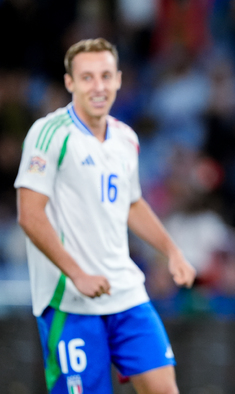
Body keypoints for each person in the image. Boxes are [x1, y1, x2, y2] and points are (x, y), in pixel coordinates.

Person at [14, 38, 196, 394]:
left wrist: (172, 251)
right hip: (70, 298)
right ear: (70, 83)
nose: (98, 86)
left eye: (105, 76)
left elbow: (131, 204)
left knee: (164, 388)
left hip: (125, 291)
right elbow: (29, 214)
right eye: (87, 77)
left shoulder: (126, 138)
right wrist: (77, 273)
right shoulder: (49, 134)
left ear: (118, 80)